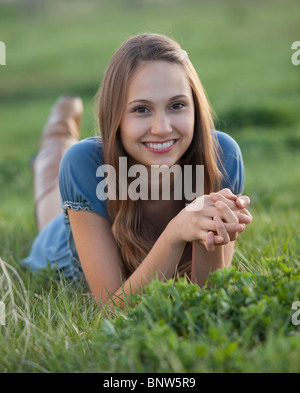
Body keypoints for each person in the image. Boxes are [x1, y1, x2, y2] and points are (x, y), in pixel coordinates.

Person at [23, 33, 252, 308]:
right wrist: (175, 232)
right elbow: (111, 307)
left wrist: (212, 230)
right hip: (64, 242)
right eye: (142, 109)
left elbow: (208, 297)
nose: (162, 128)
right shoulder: (84, 165)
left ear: (195, 108)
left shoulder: (222, 156)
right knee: (50, 191)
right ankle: (58, 132)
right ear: (115, 116)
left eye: (177, 105)